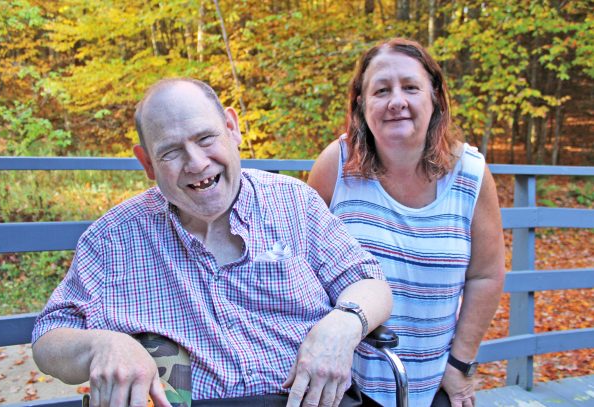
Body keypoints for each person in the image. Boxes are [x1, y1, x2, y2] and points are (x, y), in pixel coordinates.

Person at [31, 78, 393, 407]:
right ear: (148, 164)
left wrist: (344, 324)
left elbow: (369, 282)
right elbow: (49, 338)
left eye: (206, 139)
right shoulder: (113, 238)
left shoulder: (295, 203)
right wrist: (102, 346)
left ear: (232, 128)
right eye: (170, 152)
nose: (196, 162)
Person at [308, 38, 505, 407]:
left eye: (410, 87)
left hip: (433, 384)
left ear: (435, 98)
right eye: (381, 90)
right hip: (342, 389)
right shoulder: (336, 166)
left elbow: (486, 275)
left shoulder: (471, 175)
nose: (397, 101)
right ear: (361, 105)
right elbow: (301, 268)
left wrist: (461, 363)